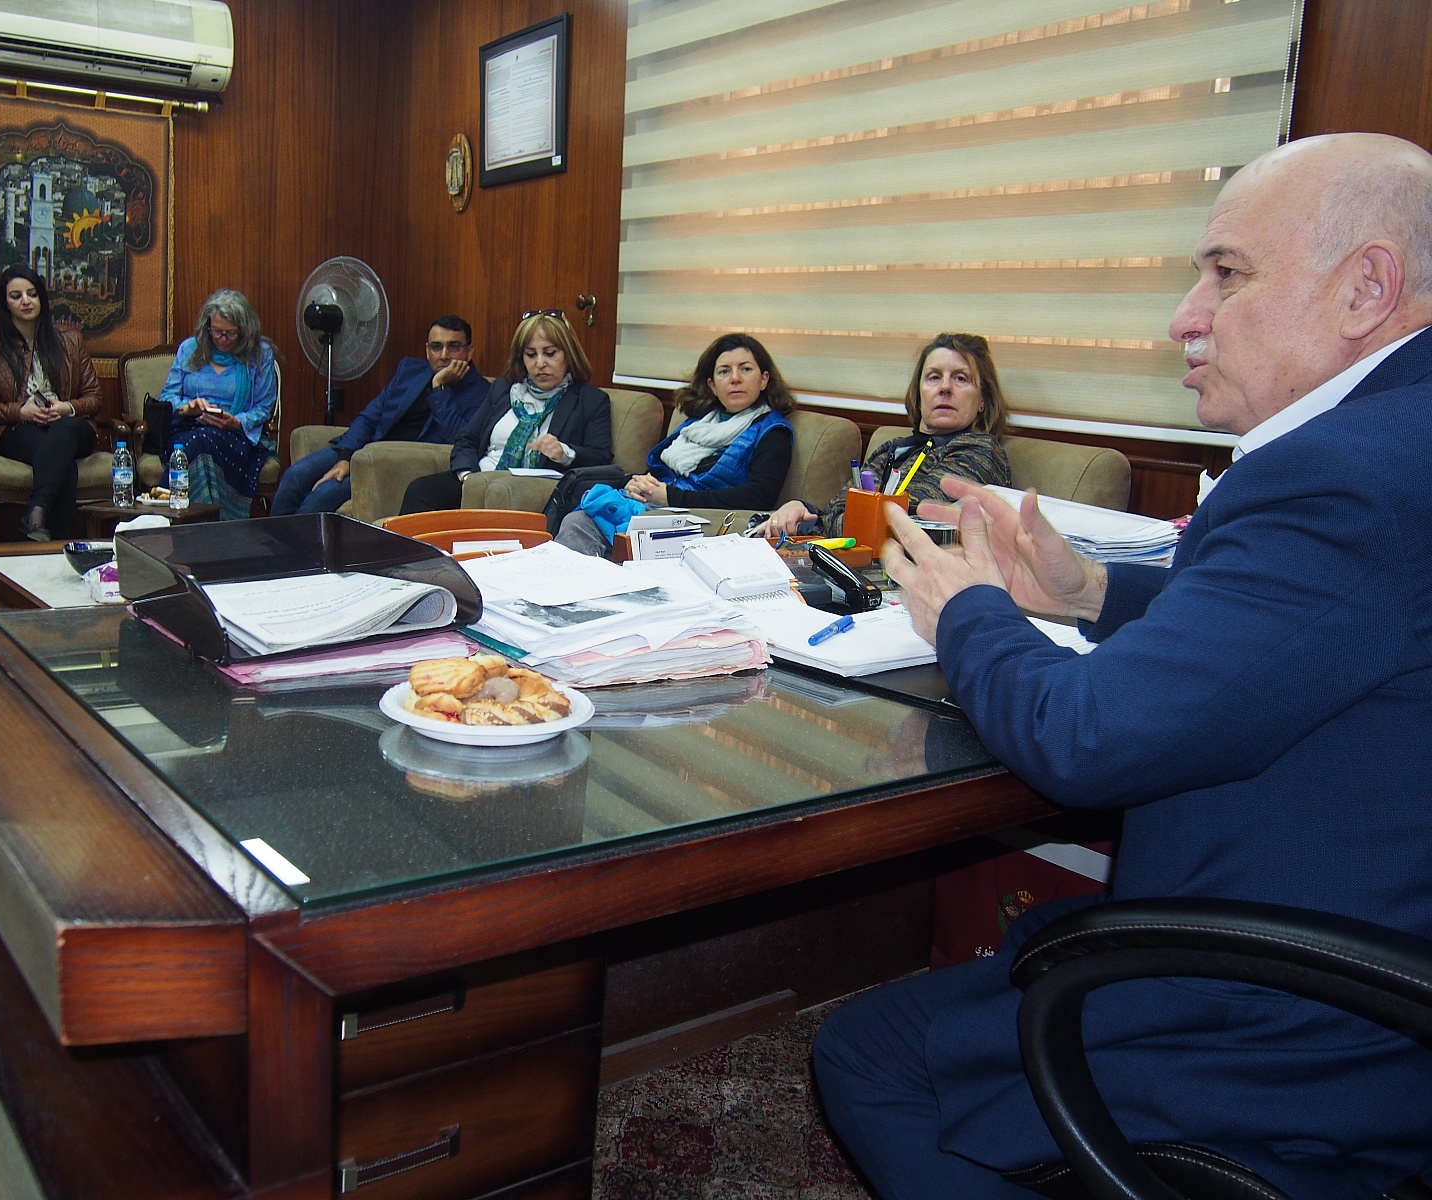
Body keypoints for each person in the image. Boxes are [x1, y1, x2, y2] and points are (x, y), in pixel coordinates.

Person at [814, 132, 1432, 1199]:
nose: (1185, 317)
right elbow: (1324, 627)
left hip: (1298, 1020)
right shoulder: (1400, 443)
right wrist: (1090, 592)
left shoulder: (1341, 474)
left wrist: (966, 614)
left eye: (1226, 272)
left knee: (872, 1054)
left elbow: (1083, 739)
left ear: (1365, 288)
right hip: (1375, 940)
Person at [554, 332, 795, 556]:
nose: (735, 379)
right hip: (657, 507)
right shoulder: (697, 423)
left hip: (698, 520)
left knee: (582, 526)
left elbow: (758, 497)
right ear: (712, 385)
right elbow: (662, 473)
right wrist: (636, 483)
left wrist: (671, 497)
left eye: (745, 369)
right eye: (724, 371)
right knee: (581, 517)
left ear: (764, 379)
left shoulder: (772, 431)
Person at [756, 332, 1009, 541]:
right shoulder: (892, 449)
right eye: (934, 377)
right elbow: (838, 511)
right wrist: (803, 509)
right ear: (919, 394)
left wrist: (815, 525)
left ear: (982, 400)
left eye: (960, 378)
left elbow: (902, 524)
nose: (944, 387)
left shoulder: (981, 451)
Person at [270, 314, 487, 516]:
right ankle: (271, 544)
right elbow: (370, 416)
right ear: (427, 351)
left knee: (321, 496)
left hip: (390, 465)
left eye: (454, 347)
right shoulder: (410, 371)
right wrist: (346, 457)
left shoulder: (482, 393)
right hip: (363, 449)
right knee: (294, 476)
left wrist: (439, 389)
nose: (444, 356)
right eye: (436, 347)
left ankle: (295, 546)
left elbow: (459, 440)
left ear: (469, 352)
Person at [398, 311, 612, 514]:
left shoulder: (589, 400)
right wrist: (469, 478)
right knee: (421, 490)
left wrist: (565, 453)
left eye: (550, 353)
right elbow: (467, 440)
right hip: (480, 479)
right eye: (531, 354)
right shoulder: (504, 390)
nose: (540, 363)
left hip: (530, 491)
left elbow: (602, 459)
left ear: (568, 354)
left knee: (497, 493)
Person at [0, 264, 102, 540]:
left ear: (42, 298)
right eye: (16, 296)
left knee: (64, 430)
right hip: (18, 429)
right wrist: (20, 412)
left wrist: (67, 408)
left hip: (71, 426)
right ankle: (55, 545)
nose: (26, 301)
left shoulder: (70, 339)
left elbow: (95, 398)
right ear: (5, 302)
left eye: (32, 294)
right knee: (60, 461)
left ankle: (37, 511)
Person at [161, 289, 279, 520]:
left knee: (203, 441)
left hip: (235, 435)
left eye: (230, 333)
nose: (222, 339)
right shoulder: (189, 349)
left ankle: (168, 517)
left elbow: (264, 407)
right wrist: (188, 407)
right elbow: (167, 397)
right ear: (207, 327)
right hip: (188, 428)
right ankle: (214, 526)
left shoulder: (259, 355)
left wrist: (236, 422)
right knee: (200, 440)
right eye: (217, 331)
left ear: (244, 330)